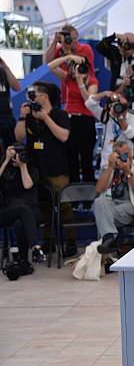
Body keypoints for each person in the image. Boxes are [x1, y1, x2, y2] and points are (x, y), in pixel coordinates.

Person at [14, 82, 75, 254]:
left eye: (34, 94)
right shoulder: (29, 116)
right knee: (44, 206)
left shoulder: (59, 114)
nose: (31, 98)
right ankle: (49, 241)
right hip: (36, 168)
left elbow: (63, 136)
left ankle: (70, 240)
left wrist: (45, 118)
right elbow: (19, 137)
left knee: (64, 206)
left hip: (57, 168)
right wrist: (22, 117)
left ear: (44, 96)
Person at [47, 50, 99, 183]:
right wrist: (68, 57)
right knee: (72, 159)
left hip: (85, 120)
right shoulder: (68, 78)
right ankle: (73, 195)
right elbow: (50, 66)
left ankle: (88, 198)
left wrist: (80, 82)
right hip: (70, 120)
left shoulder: (92, 81)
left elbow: (89, 102)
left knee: (86, 159)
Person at [93, 140, 134, 254]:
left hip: (133, 206)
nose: (125, 157)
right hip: (113, 204)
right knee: (99, 202)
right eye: (121, 155)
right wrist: (110, 167)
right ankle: (110, 239)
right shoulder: (109, 167)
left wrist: (128, 172)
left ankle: (109, 248)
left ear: (131, 153)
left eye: (127, 153)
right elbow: (99, 189)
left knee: (102, 215)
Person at [0, 144, 44, 268]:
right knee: (22, 210)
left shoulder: (33, 170)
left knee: (20, 222)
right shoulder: (6, 171)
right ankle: (35, 247)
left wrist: (23, 165)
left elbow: (27, 185)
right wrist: (6, 160)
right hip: (9, 210)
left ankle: (23, 259)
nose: (17, 156)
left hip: (32, 209)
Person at [84, 91, 134, 169]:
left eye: (123, 105)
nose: (120, 107)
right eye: (118, 104)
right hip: (107, 160)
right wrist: (104, 94)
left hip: (126, 161)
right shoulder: (105, 116)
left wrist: (120, 117)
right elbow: (89, 104)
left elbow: (130, 134)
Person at [0, 57, 21, 149]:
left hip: (6, 115)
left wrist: (6, 67)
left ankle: (10, 162)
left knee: (11, 146)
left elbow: (17, 87)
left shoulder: (3, 71)